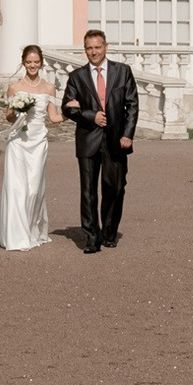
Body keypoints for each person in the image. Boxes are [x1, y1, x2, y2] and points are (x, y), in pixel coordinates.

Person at [60, 28, 137, 253]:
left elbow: (132, 105)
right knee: (88, 191)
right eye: (89, 48)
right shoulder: (77, 77)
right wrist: (89, 115)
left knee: (115, 187)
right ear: (85, 50)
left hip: (116, 140)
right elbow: (67, 107)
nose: (93, 52)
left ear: (105, 47)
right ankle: (92, 237)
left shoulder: (123, 72)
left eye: (97, 47)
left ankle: (109, 233)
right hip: (87, 140)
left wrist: (128, 134)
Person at [0, 44, 58, 251]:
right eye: (29, 62)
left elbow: (54, 117)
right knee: (17, 189)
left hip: (38, 141)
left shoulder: (49, 88)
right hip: (18, 142)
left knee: (34, 189)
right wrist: (17, 111)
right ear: (24, 62)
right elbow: (8, 116)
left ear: (41, 63)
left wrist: (72, 112)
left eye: (36, 62)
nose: (33, 65)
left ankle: (33, 231)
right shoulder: (15, 87)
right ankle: (18, 237)